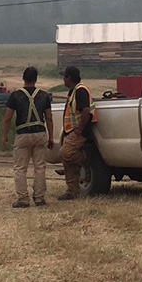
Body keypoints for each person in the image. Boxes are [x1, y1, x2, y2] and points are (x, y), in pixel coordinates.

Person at [2, 66, 54, 208]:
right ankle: (39, 198)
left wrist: (5, 135)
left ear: (23, 78)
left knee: (20, 168)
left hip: (23, 134)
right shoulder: (44, 96)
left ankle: (23, 199)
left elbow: (7, 118)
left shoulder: (15, 96)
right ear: (36, 79)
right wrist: (51, 137)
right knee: (40, 167)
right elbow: (48, 118)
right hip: (40, 133)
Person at [58, 66, 95, 200]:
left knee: (65, 154)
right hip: (72, 130)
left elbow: (86, 111)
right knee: (68, 162)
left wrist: (79, 129)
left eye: (64, 77)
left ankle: (85, 157)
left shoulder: (80, 91)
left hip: (79, 132)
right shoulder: (74, 91)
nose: (63, 80)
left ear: (69, 78)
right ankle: (72, 191)